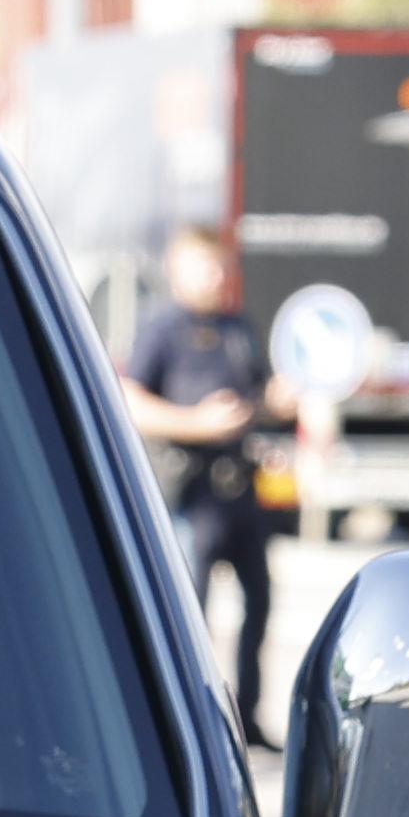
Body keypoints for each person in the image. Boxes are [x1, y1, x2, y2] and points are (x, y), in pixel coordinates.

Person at [110, 219, 274, 721]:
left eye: (221, 268)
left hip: (239, 488)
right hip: (189, 490)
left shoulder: (236, 327)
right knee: (190, 611)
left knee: (260, 604)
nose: (216, 278)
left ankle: (247, 715)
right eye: (205, 268)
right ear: (178, 271)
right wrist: (196, 423)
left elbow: (259, 396)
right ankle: (191, 716)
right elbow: (130, 401)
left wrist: (274, 403)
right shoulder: (163, 328)